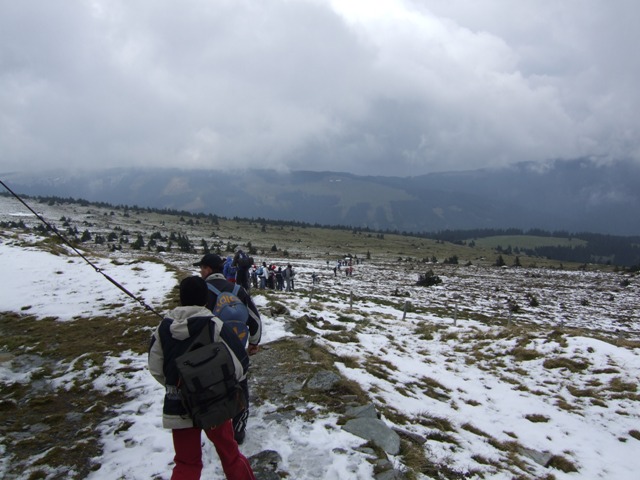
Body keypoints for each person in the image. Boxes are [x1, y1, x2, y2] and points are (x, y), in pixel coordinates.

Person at [148, 276, 256, 480]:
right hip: (214, 401)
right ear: (206, 300)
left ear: (181, 298)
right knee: (230, 456)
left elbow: (155, 367)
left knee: (186, 463)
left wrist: (178, 387)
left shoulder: (163, 328)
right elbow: (240, 362)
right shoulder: (215, 325)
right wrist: (223, 383)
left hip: (178, 404)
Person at [193, 253, 262, 444]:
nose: (200, 272)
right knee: (240, 385)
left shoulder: (201, 290)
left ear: (208, 269)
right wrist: (253, 343)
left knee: (214, 389)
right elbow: (255, 319)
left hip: (210, 350)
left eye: (201, 268)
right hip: (237, 349)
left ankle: (218, 430)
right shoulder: (238, 290)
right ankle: (238, 429)